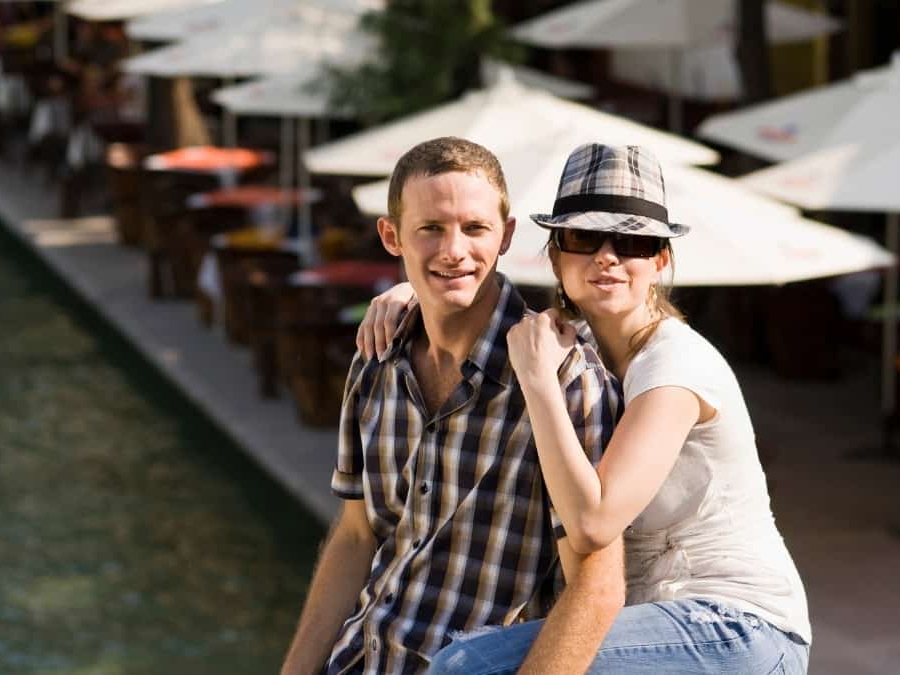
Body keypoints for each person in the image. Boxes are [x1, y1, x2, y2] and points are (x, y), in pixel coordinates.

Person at [357, 143, 812, 673]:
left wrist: (537, 382)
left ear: (660, 259)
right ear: (554, 254)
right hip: (661, 620)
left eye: (632, 241)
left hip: (738, 627)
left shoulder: (675, 364)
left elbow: (594, 523)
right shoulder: (585, 349)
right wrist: (409, 295)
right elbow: (469, 297)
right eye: (584, 237)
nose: (607, 256)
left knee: (468, 666)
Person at [280, 137, 625, 675]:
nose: (454, 251)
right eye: (431, 229)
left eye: (475, 228)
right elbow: (355, 535)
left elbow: (596, 585)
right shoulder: (375, 362)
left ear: (506, 236)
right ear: (392, 236)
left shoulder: (564, 379)